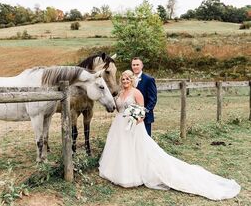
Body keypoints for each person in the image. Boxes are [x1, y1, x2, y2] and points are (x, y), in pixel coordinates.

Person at [99, 70, 241, 201]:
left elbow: (142, 112)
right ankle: (116, 172)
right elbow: (117, 109)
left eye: (127, 79)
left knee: (135, 150)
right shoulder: (119, 94)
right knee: (121, 150)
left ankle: (131, 176)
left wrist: (135, 119)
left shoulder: (136, 93)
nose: (124, 81)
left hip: (134, 126)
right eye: (123, 79)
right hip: (119, 126)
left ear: (132, 80)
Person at [131, 57, 157, 136]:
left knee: (145, 139)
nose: (135, 67)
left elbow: (153, 99)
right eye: (133, 65)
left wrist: (144, 112)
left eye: (137, 65)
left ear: (142, 66)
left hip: (145, 117)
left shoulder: (149, 79)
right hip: (131, 116)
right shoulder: (129, 79)